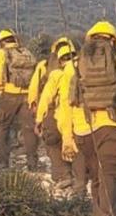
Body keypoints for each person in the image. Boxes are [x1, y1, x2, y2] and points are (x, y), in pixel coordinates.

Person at [57, 21, 116, 216]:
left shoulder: (73, 65)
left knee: (97, 179)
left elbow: (65, 106)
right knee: (110, 178)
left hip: (84, 131)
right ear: (114, 40)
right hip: (115, 126)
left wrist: (67, 137)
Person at [35, 42, 79, 192]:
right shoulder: (83, 70)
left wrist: (39, 118)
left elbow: (46, 97)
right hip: (83, 118)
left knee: (53, 142)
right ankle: (81, 177)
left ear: (59, 60)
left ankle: (63, 176)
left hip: (61, 115)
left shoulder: (56, 74)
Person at [0, 29, 39, 169]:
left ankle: (3, 162)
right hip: (27, 94)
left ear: (1, 42)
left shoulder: (1, 53)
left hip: (9, 94)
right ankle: (32, 163)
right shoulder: (26, 52)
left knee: (2, 127)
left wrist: (1, 91)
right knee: (29, 129)